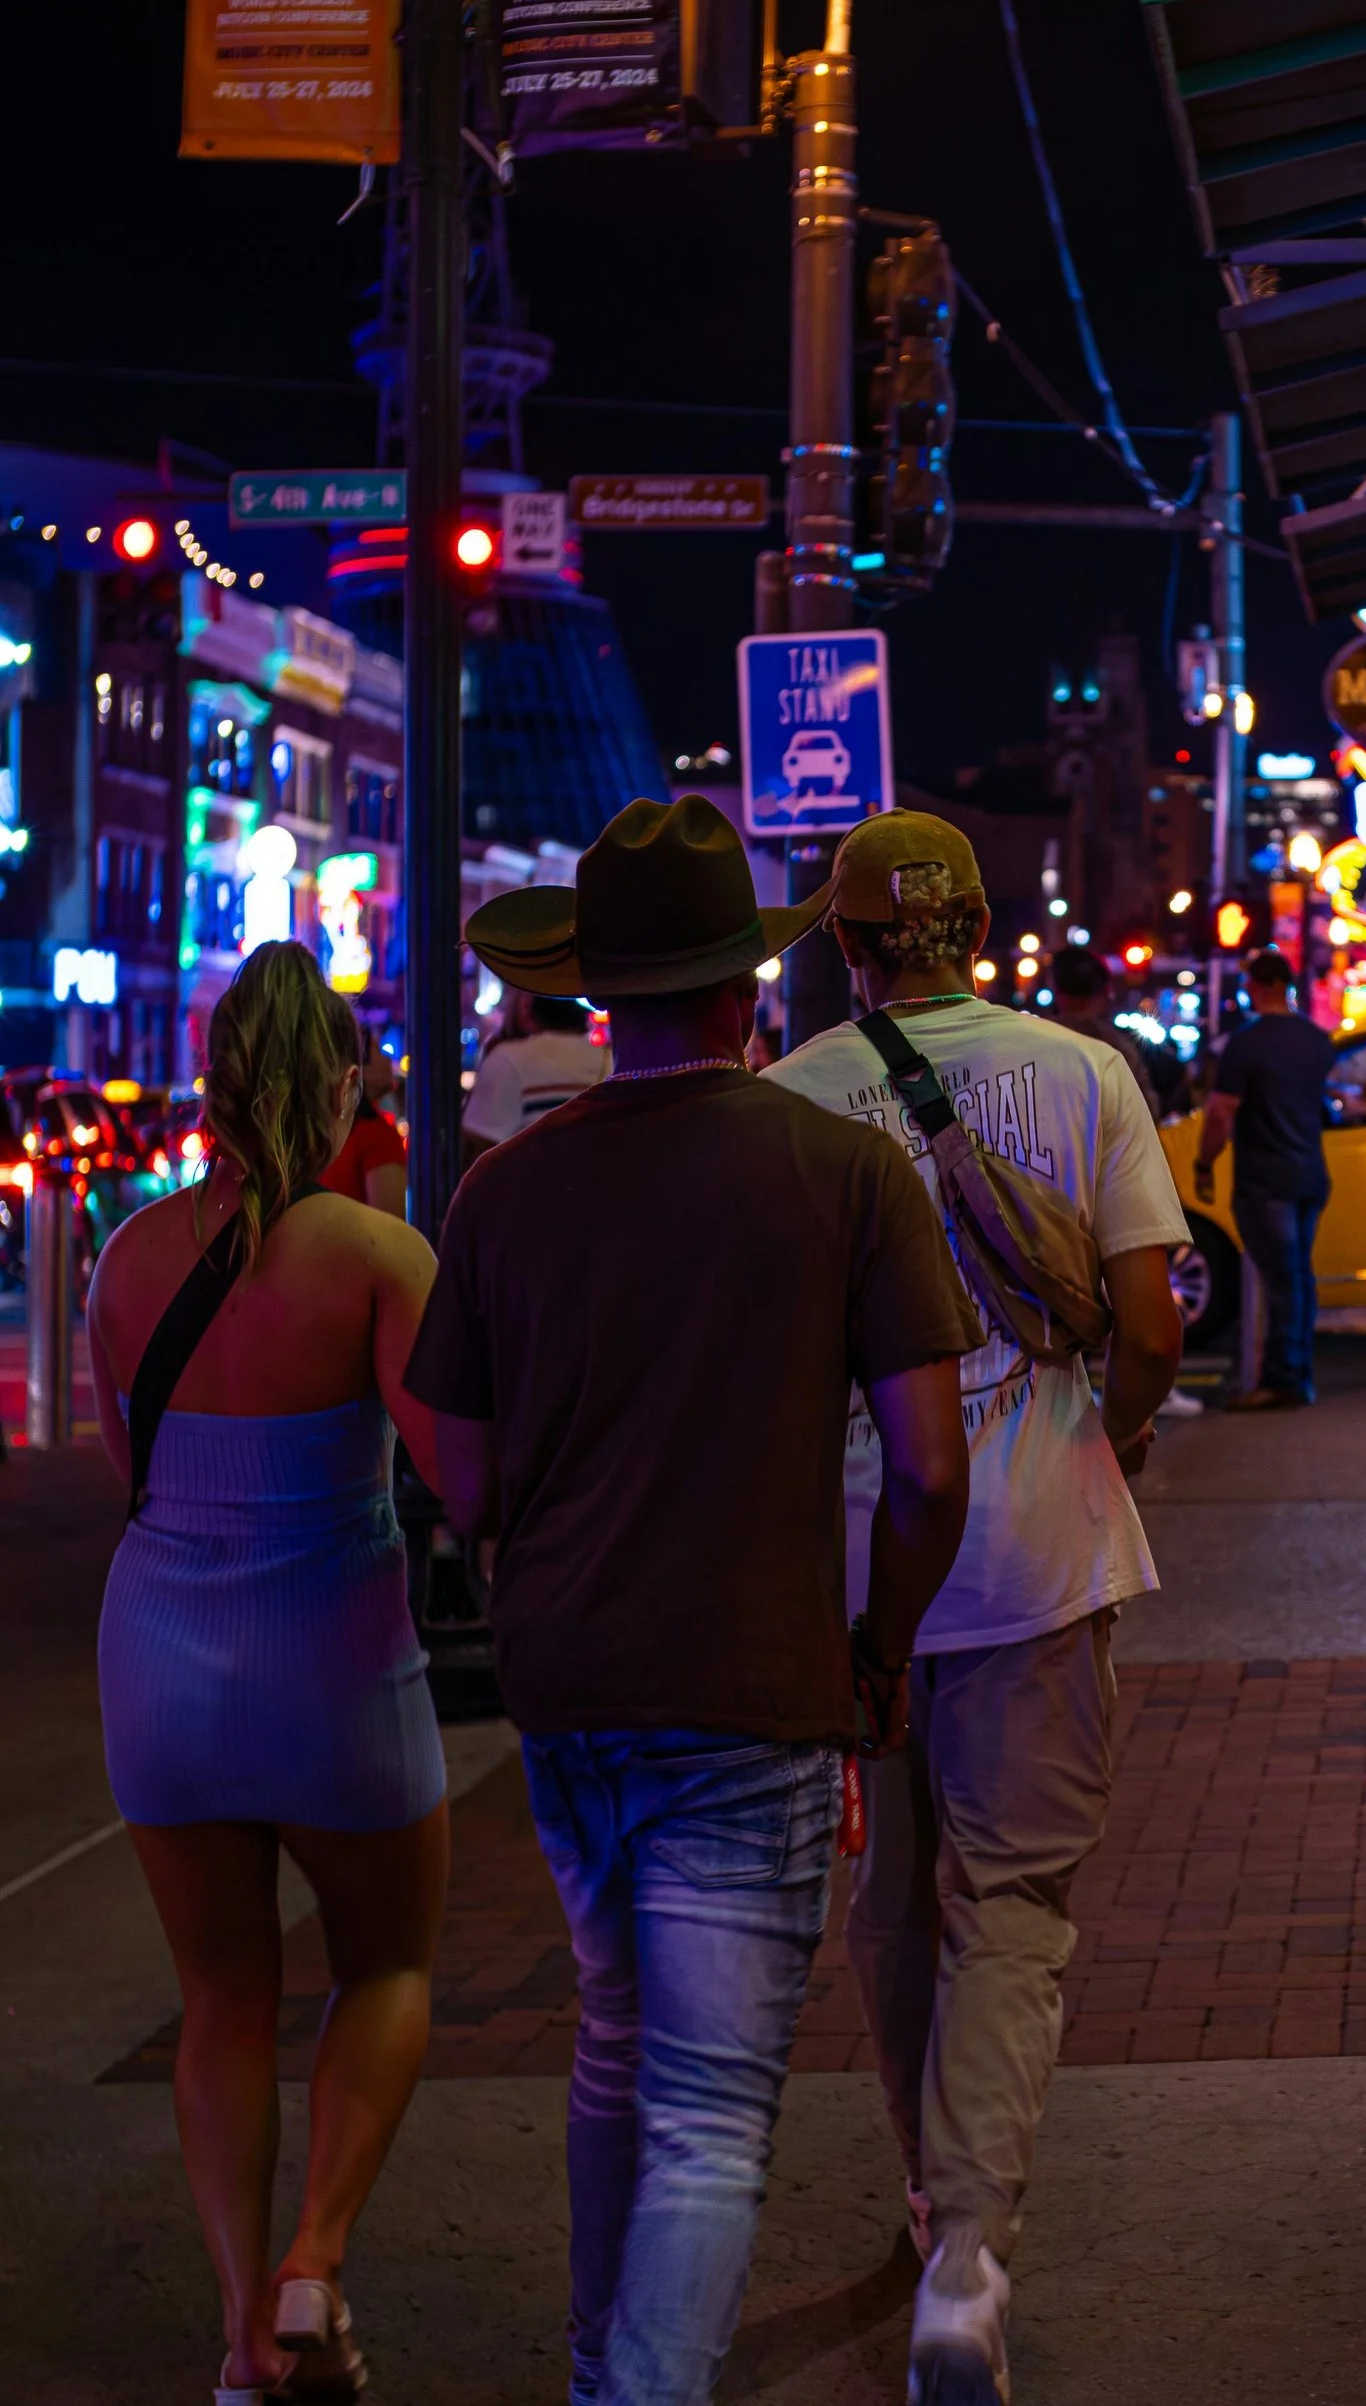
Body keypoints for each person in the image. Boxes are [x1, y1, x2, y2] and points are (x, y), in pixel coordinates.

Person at [403, 797, 978, 2406]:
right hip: (758, 1684)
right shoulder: (844, 1172)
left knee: (613, 2037)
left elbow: (463, 1477)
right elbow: (930, 1467)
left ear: (603, 996)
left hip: (571, 1687)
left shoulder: (504, 1193)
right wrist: (881, 1655)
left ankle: (606, 2354)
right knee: (715, 2111)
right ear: (747, 992)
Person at [770, 810, 1185, 2406]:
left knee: (892, 1904)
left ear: (848, 944)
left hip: (863, 1568)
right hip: (1040, 1556)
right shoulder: (1083, 1075)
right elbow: (1147, 1320)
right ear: (980, 931)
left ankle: (923, 2187)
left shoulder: (794, 1097)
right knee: (1011, 1910)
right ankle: (967, 2261)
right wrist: (1117, 1426)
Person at [87, 940, 446, 2406]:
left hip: (162, 1655)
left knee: (222, 1995)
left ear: (216, 1077)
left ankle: (241, 2338)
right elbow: (457, 1467)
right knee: (390, 1961)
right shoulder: (376, 1257)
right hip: (334, 1648)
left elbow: (132, 1468)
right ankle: (316, 2259)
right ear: (346, 1080)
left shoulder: (124, 1255)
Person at [1194, 946, 1335, 1411]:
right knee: (1298, 1277)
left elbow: (1221, 1112)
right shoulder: (1316, 1039)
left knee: (1280, 1279)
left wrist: (1204, 1162)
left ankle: (1281, 1379)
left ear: (1257, 986)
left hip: (1265, 1176)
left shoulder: (1246, 1043)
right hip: (1310, 1173)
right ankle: (1297, 1370)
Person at [460, 987, 609, 1160]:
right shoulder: (608, 1057)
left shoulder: (508, 1059)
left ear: (526, 1003)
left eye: (509, 997)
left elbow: (475, 1150)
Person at [1042, 943, 1155, 1103]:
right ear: (1106, 992)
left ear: (1057, 990)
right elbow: (1145, 1115)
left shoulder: (1035, 1045)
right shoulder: (1119, 1051)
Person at [321, 1026, 407, 1213]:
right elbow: (389, 1225)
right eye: (379, 1050)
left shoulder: (325, 1129)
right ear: (360, 1068)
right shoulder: (378, 1136)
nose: (388, 1059)